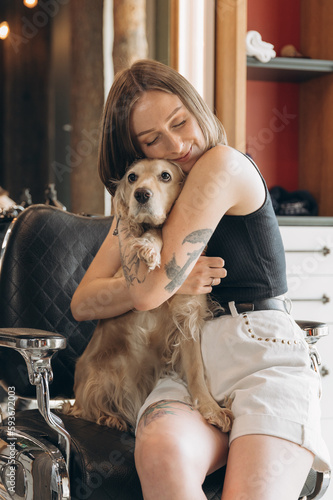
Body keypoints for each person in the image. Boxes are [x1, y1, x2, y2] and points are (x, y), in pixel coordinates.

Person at [71, 59, 330, 500]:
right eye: (152, 141)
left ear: (199, 109)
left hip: (261, 355)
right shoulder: (149, 191)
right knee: (160, 454)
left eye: (180, 122)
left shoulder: (221, 165)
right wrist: (177, 282)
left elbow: (149, 289)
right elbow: (83, 302)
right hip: (187, 363)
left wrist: (160, 283)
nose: (175, 146)